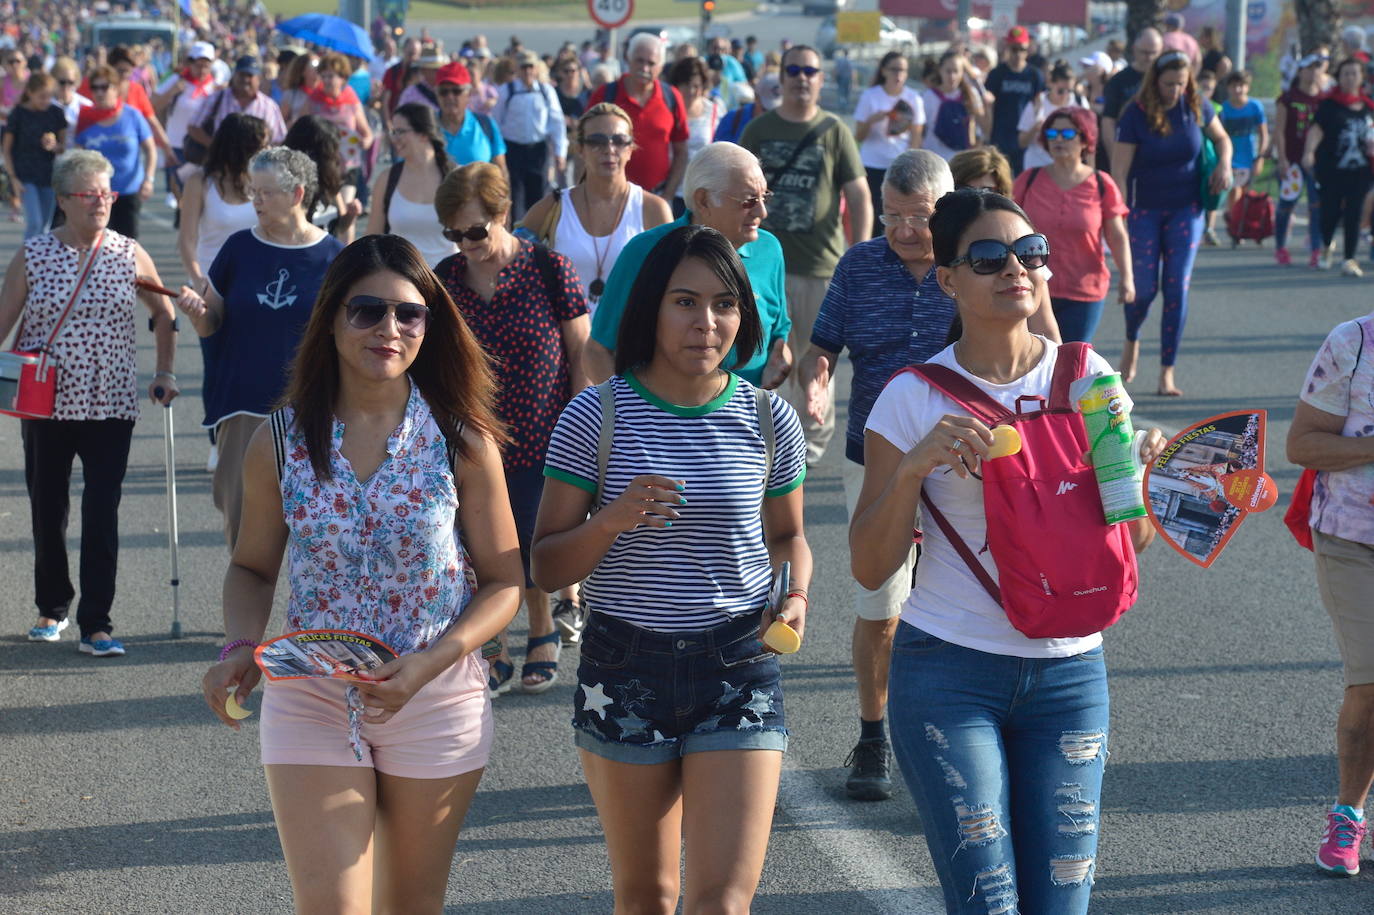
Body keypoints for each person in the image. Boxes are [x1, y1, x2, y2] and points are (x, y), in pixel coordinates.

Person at [851, 187, 1165, 915]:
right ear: (947, 279)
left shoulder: (1088, 377)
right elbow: (869, 566)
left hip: (1071, 675)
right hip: (949, 669)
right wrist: (911, 470)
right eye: (989, 257)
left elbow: (1134, 540)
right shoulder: (912, 396)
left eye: (1029, 253)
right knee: (988, 902)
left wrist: (1137, 473)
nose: (1015, 269)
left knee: (1063, 904)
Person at [198, 233, 523, 913]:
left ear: (429, 326)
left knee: (408, 903)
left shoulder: (461, 439)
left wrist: (430, 663)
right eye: (367, 310)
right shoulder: (278, 440)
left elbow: (504, 581)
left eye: (410, 313)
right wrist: (240, 645)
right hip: (311, 694)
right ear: (331, 319)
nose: (389, 328)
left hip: (434, 695)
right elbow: (251, 568)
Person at [532, 223, 810, 914]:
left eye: (724, 304)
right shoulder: (594, 416)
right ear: (650, 306)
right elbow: (545, 565)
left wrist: (797, 593)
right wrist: (610, 520)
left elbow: (789, 536)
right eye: (684, 301)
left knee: (722, 900)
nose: (705, 322)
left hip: (738, 662)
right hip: (625, 664)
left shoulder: (769, 417)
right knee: (647, 897)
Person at [793, 150, 956, 801]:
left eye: (919, 218)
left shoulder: (972, 265)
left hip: (961, 462)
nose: (904, 230)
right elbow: (821, 348)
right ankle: (873, 734)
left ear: (946, 211)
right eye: (892, 216)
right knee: (880, 603)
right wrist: (817, 382)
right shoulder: (859, 264)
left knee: (960, 604)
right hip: (874, 456)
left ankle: (946, 740)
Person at [0, 149, 180, 655]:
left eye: (107, 193)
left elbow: (164, 313)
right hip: (46, 404)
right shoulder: (34, 255)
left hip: (110, 403)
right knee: (47, 507)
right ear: (62, 200)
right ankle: (51, 606)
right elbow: (3, 321)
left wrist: (165, 371)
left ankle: (97, 623)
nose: (101, 202)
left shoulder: (128, 252)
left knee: (102, 511)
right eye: (89, 194)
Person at [433, 162, 589, 695]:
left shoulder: (549, 268)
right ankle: (494, 643)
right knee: (474, 543)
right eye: (453, 234)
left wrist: (583, 428)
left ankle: (542, 627)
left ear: (502, 214)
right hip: (471, 437)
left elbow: (580, 354)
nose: (465, 244)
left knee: (530, 539)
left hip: (543, 433)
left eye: (475, 231)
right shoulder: (446, 279)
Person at [173, 147, 346, 548]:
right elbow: (211, 323)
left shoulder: (334, 257)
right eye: (254, 191)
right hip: (243, 407)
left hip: (313, 410)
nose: (256, 200)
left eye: (266, 192)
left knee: (318, 537)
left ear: (297, 194)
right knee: (243, 533)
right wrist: (197, 314)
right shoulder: (238, 248)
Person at [740, 44, 871, 466]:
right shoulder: (759, 130)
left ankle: (810, 444)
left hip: (820, 267)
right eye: (793, 69)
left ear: (820, 78)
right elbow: (737, 187)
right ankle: (767, 440)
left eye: (809, 71)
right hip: (763, 269)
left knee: (816, 361)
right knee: (766, 358)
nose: (801, 78)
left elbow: (859, 195)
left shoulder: (834, 130)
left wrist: (859, 255)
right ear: (781, 77)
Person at [585, 142, 791, 391]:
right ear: (703, 200)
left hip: (746, 410)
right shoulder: (646, 251)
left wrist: (780, 358)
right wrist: (629, 409)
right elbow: (597, 351)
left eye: (764, 197)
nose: (762, 211)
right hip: (660, 410)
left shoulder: (769, 250)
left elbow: (779, 331)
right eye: (748, 201)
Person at [1288, 311, 1374, 877]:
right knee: (1370, 680)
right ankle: (1349, 813)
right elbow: (1302, 444)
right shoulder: (1355, 341)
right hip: (1352, 535)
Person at [1111, 50, 1233, 397]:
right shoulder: (1135, 113)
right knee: (1144, 289)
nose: (1175, 90)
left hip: (1187, 209)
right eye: (1169, 84)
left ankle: (1167, 372)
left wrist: (1224, 163)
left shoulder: (1196, 105)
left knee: (1177, 288)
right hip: (1144, 210)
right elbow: (1119, 172)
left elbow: (1222, 138)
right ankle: (1132, 338)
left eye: (1181, 83)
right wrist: (1118, 217)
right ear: (1155, 81)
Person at [522, 102, 671, 312]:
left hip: (627, 331)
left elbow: (670, 283)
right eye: (597, 141)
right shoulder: (554, 206)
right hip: (565, 331)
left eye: (619, 141)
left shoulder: (653, 209)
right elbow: (511, 262)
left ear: (630, 149)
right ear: (580, 149)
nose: (609, 149)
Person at [1014, 107, 1131, 343]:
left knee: (1072, 357)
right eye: (1052, 134)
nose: (1058, 139)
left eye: (1067, 134)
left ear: (1085, 139)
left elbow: (1117, 236)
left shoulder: (1102, 183)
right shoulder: (1029, 179)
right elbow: (1010, 230)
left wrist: (1127, 278)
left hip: (1084, 292)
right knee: (1035, 357)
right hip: (1033, 286)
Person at [587, 33, 690, 201]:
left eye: (651, 63)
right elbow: (585, 146)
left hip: (657, 196)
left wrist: (668, 195)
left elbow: (681, 152)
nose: (645, 68)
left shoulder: (671, 97)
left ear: (661, 67)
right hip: (609, 198)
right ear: (628, 59)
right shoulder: (605, 95)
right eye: (639, 61)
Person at [177, 112, 267, 293]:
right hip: (211, 282)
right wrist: (197, 279)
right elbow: (187, 239)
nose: (268, 151)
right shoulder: (200, 182)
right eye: (262, 147)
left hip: (256, 282)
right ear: (244, 148)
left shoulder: (265, 182)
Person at [1303, 58, 1374, 277]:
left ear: (1361, 77)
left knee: (1354, 214)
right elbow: (1316, 131)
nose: (1350, 78)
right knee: (1330, 212)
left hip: (1360, 171)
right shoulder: (1329, 105)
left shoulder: (1368, 107)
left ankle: (1349, 259)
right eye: (1346, 74)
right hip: (1331, 170)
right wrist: (1309, 152)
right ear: (1339, 78)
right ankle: (1326, 246)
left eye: (1354, 73)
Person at [366, 103, 457, 268]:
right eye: (393, 132)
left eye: (400, 132)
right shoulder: (387, 179)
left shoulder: (456, 177)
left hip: (449, 278)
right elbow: (372, 239)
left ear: (424, 134)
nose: (394, 139)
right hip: (400, 278)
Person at [74, 64, 155, 239]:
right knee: (97, 242)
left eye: (104, 87)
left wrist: (148, 179)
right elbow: (78, 156)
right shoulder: (85, 118)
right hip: (96, 195)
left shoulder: (132, 115)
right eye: (95, 88)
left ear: (116, 89)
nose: (99, 92)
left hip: (128, 191)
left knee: (127, 244)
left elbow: (150, 149)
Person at [854, 51, 926, 237]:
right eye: (894, 69)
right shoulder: (870, 96)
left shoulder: (914, 98)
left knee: (897, 216)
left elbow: (916, 137)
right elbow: (859, 136)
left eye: (903, 70)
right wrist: (872, 120)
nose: (899, 75)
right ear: (884, 71)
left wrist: (911, 166)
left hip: (900, 167)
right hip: (872, 164)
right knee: (873, 215)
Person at [492, 51, 567, 220]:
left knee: (539, 195)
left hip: (538, 150)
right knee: (515, 196)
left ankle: (537, 232)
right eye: (523, 67)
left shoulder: (546, 91)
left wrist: (560, 152)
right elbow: (496, 122)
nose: (527, 71)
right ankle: (517, 231)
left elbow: (557, 122)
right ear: (517, 69)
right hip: (513, 150)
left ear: (536, 69)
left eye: (530, 66)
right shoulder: (507, 91)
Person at [1276, 52, 1330, 268]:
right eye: (1309, 68)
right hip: (1292, 161)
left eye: (1317, 67)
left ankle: (1316, 250)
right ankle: (1280, 247)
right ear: (1300, 71)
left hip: (1316, 163)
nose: (1313, 72)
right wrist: (1282, 159)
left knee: (1316, 206)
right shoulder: (1288, 98)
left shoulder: (1325, 100)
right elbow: (1279, 131)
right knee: (1286, 205)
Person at [304, 52, 374, 209]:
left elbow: (367, 134)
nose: (326, 80)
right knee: (324, 212)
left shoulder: (352, 100)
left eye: (331, 76)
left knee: (346, 209)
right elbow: (300, 128)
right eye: (323, 76)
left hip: (347, 164)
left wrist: (364, 142)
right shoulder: (313, 100)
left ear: (342, 78)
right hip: (320, 166)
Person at [151, 41, 219, 203]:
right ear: (190, 63)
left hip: (204, 146)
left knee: (202, 192)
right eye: (198, 65)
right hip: (178, 145)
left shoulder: (215, 86)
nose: (202, 70)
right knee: (181, 191)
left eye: (206, 66)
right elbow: (152, 106)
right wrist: (172, 92)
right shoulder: (176, 80)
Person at [4, 72, 67, 237]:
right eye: (41, 96)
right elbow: (7, 149)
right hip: (24, 175)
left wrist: (54, 146)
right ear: (30, 93)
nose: (46, 101)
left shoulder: (56, 112)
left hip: (48, 175)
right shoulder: (18, 114)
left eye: (49, 96)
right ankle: (28, 254)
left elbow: (63, 147)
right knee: (35, 223)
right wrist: (13, 178)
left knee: (45, 227)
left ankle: (39, 253)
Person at [283, 114, 363, 242]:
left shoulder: (328, 180)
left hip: (327, 253)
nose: (337, 156)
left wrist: (350, 215)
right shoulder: (285, 185)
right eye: (332, 149)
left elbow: (339, 226)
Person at [184, 55, 287, 150]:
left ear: (258, 79)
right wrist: (215, 147)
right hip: (221, 160)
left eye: (250, 75)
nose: (245, 79)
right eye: (242, 74)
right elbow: (193, 126)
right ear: (234, 76)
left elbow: (279, 138)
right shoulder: (216, 98)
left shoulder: (269, 106)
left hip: (255, 162)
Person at [666, 56, 726, 217]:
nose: (692, 91)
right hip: (669, 192)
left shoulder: (714, 111)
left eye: (696, 86)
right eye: (686, 85)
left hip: (702, 194)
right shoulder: (666, 110)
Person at [984, 26, 1044, 174]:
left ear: (1028, 49)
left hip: (1025, 136)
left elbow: (1040, 103)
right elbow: (987, 104)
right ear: (1007, 48)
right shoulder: (997, 73)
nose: (1018, 54)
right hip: (1000, 136)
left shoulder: (1035, 75)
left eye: (1022, 49)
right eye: (1014, 49)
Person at [1101, 28, 1162, 161]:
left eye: (1153, 53)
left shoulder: (1165, 79)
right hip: (1130, 151)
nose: (1149, 57)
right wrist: (1115, 159)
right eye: (1144, 52)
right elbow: (1108, 121)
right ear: (1134, 49)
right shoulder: (1118, 81)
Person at [1016, 60, 1089, 171]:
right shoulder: (1036, 103)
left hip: (1069, 170)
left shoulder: (1080, 103)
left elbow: (1089, 140)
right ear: (1050, 84)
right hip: (1037, 166)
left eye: (1070, 91)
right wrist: (1035, 128)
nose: (1065, 95)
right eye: (1060, 91)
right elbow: (1021, 142)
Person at [1217, 71, 1268, 227]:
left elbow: (1263, 134)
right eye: (1234, 86)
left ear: (1247, 87)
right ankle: (1233, 219)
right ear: (1228, 88)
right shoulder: (1223, 109)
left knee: (1245, 192)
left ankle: (1238, 222)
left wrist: (1260, 158)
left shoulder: (1255, 107)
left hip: (1249, 155)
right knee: (1234, 189)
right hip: (1231, 156)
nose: (1238, 90)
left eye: (1241, 85)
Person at [434, 62, 506, 171]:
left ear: (468, 93)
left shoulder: (485, 124)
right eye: (444, 92)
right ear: (437, 94)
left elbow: (501, 169)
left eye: (456, 91)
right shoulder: (426, 128)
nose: (450, 97)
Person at [919, 49, 988, 162]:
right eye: (948, 71)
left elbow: (983, 127)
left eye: (956, 71)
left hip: (961, 161)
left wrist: (988, 106)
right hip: (934, 160)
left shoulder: (971, 94)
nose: (952, 76)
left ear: (962, 72)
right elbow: (920, 131)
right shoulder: (928, 96)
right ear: (940, 70)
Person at [715, 73, 780, 145]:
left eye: (777, 111)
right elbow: (717, 150)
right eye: (765, 109)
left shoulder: (785, 125)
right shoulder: (731, 119)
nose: (771, 115)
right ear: (756, 98)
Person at [277, 53, 318, 126]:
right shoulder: (291, 94)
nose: (317, 70)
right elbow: (280, 123)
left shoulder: (325, 95)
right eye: (313, 66)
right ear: (302, 71)